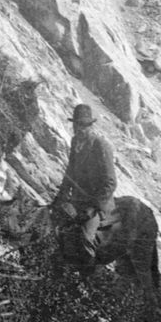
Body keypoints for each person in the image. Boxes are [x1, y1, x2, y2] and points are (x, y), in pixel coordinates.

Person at [52, 103, 117, 258]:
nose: (79, 129)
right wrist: (60, 197)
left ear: (90, 126)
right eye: (77, 125)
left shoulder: (100, 145)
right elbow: (70, 173)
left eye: (84, 125)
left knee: (85, 238)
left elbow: (111, 182)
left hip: (97, 205)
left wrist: (93, 208)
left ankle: (89, 275)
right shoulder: (75, 142)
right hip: (77, 201)